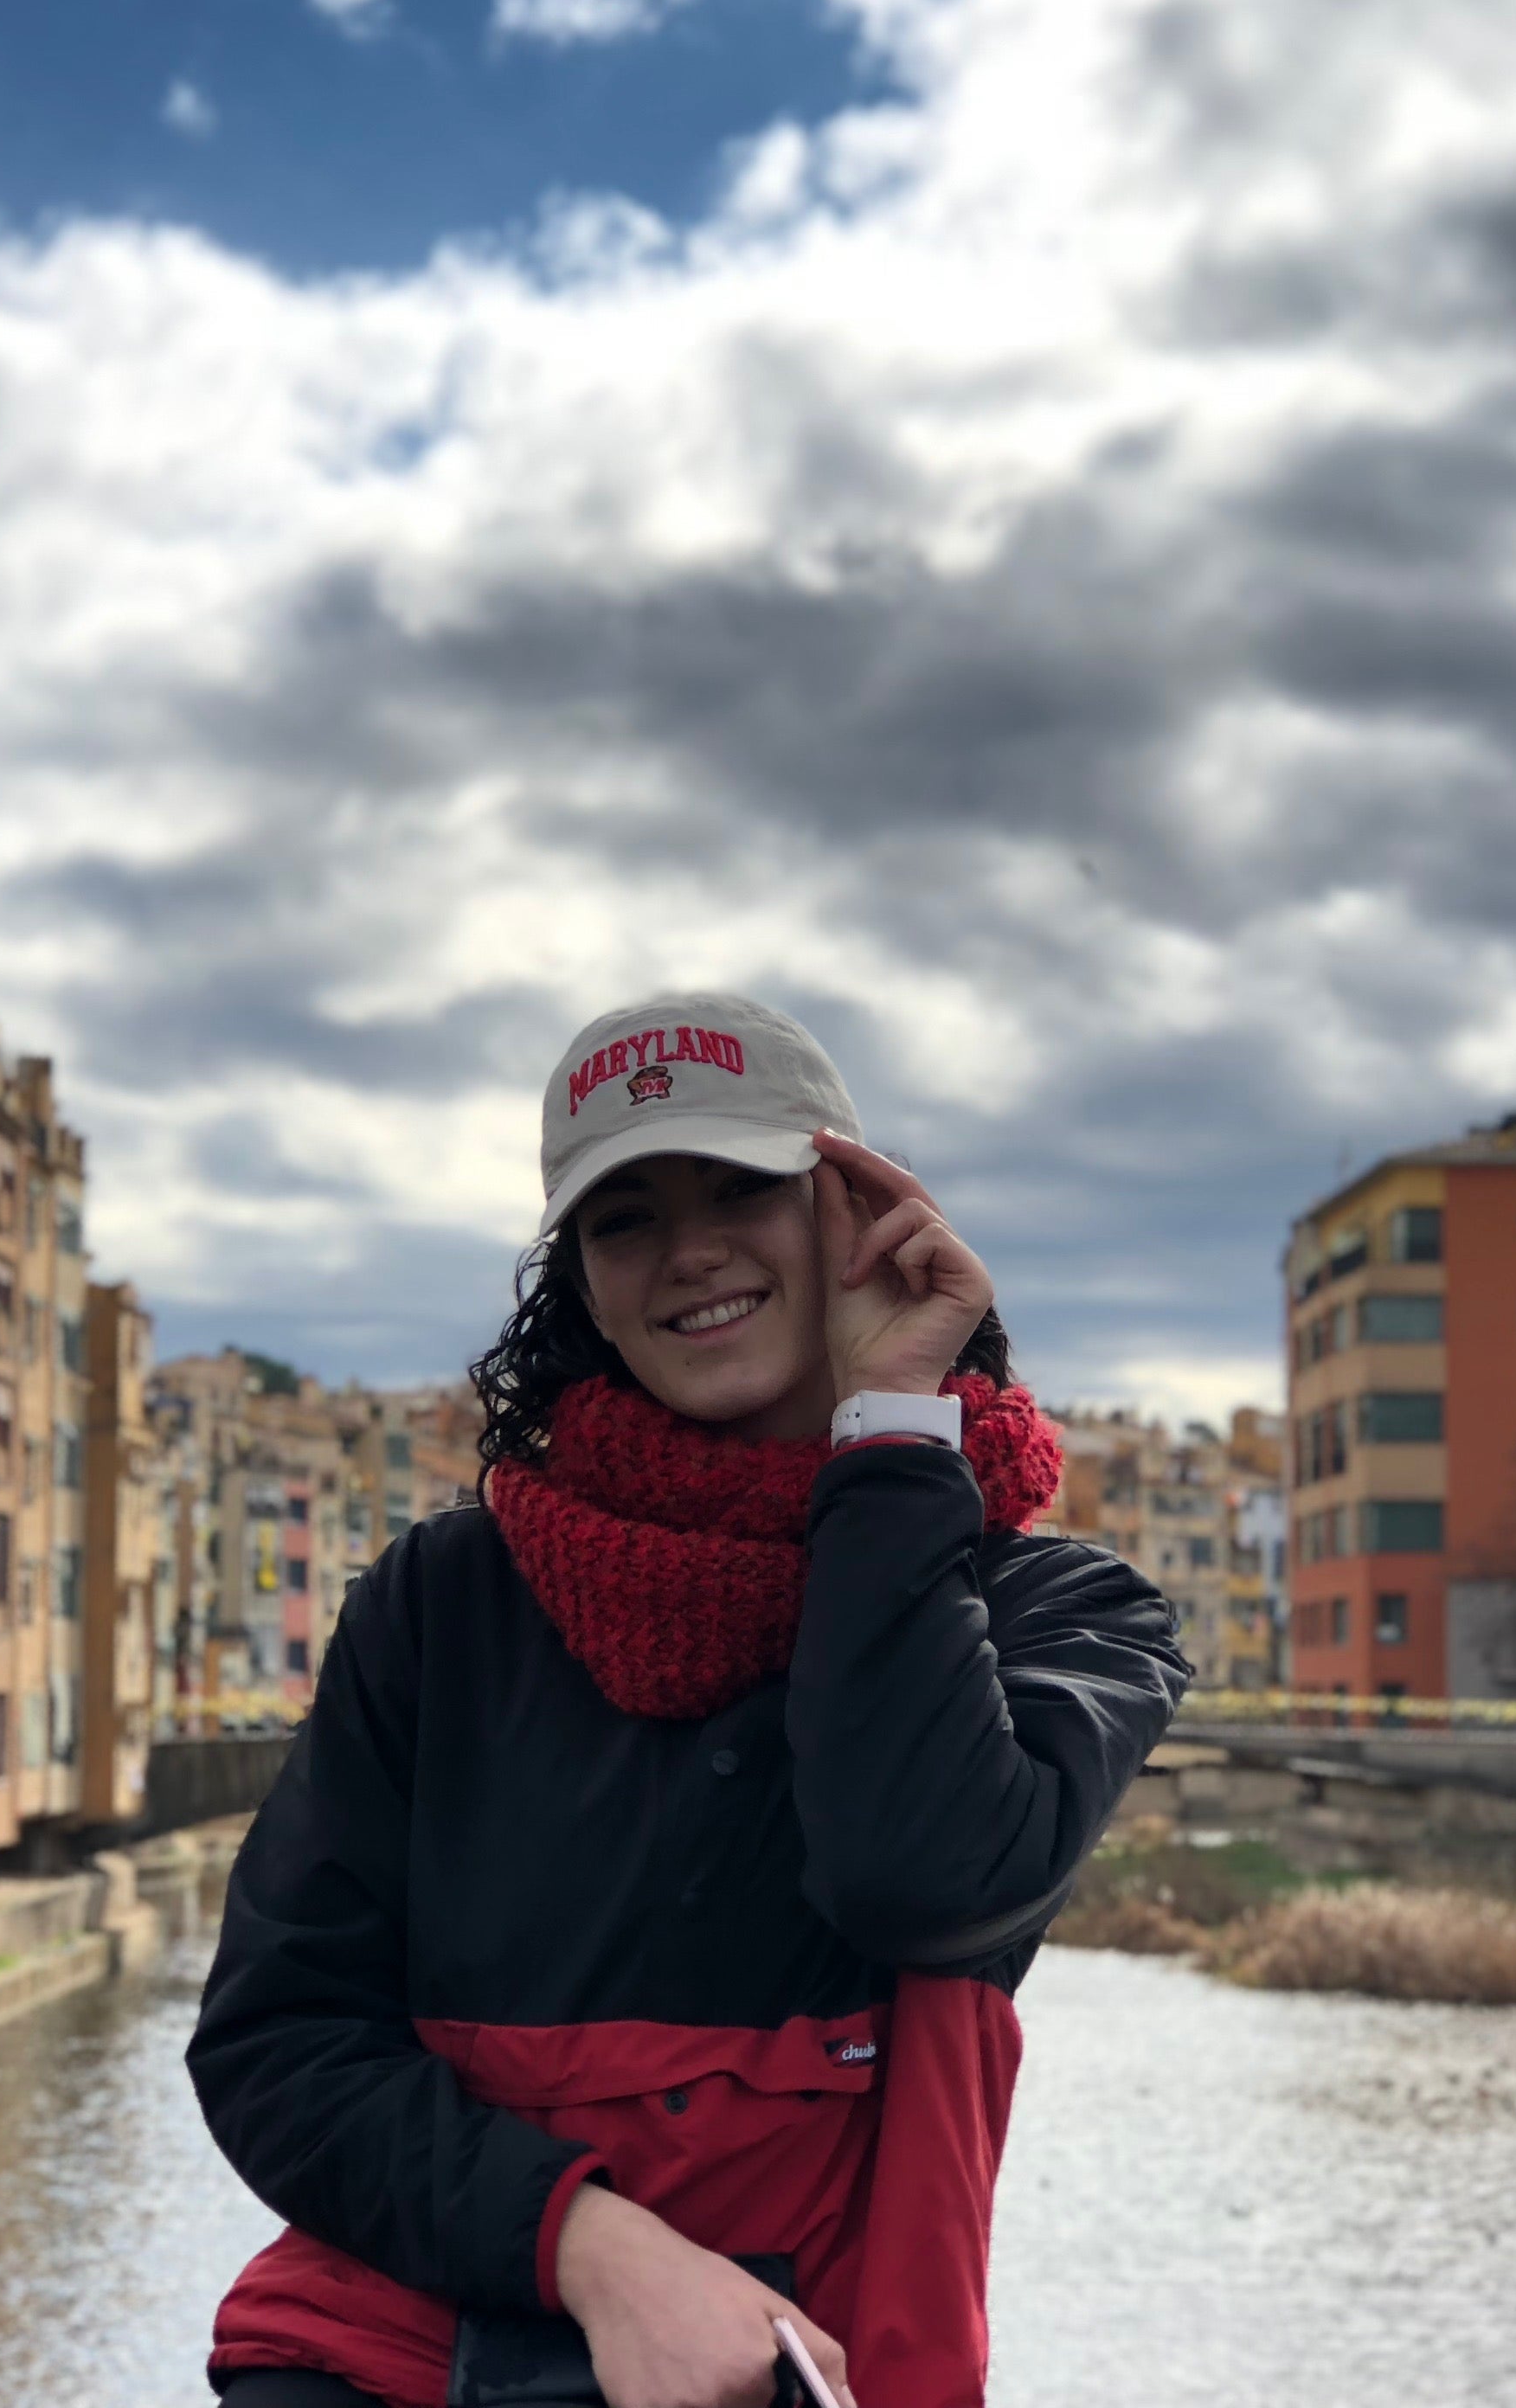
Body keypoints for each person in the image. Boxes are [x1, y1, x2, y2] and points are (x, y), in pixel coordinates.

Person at [190, 991, 1189, 2408]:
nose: (691, 1251)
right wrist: (593, 2250)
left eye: (743, 1190)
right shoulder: (444, 1601)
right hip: (389, 2363)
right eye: (627, 1217)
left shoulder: (1059, 1615)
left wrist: (893, 1423)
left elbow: (919, 1880)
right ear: (580, 1283)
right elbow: (276, 2043)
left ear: (855, 1215)